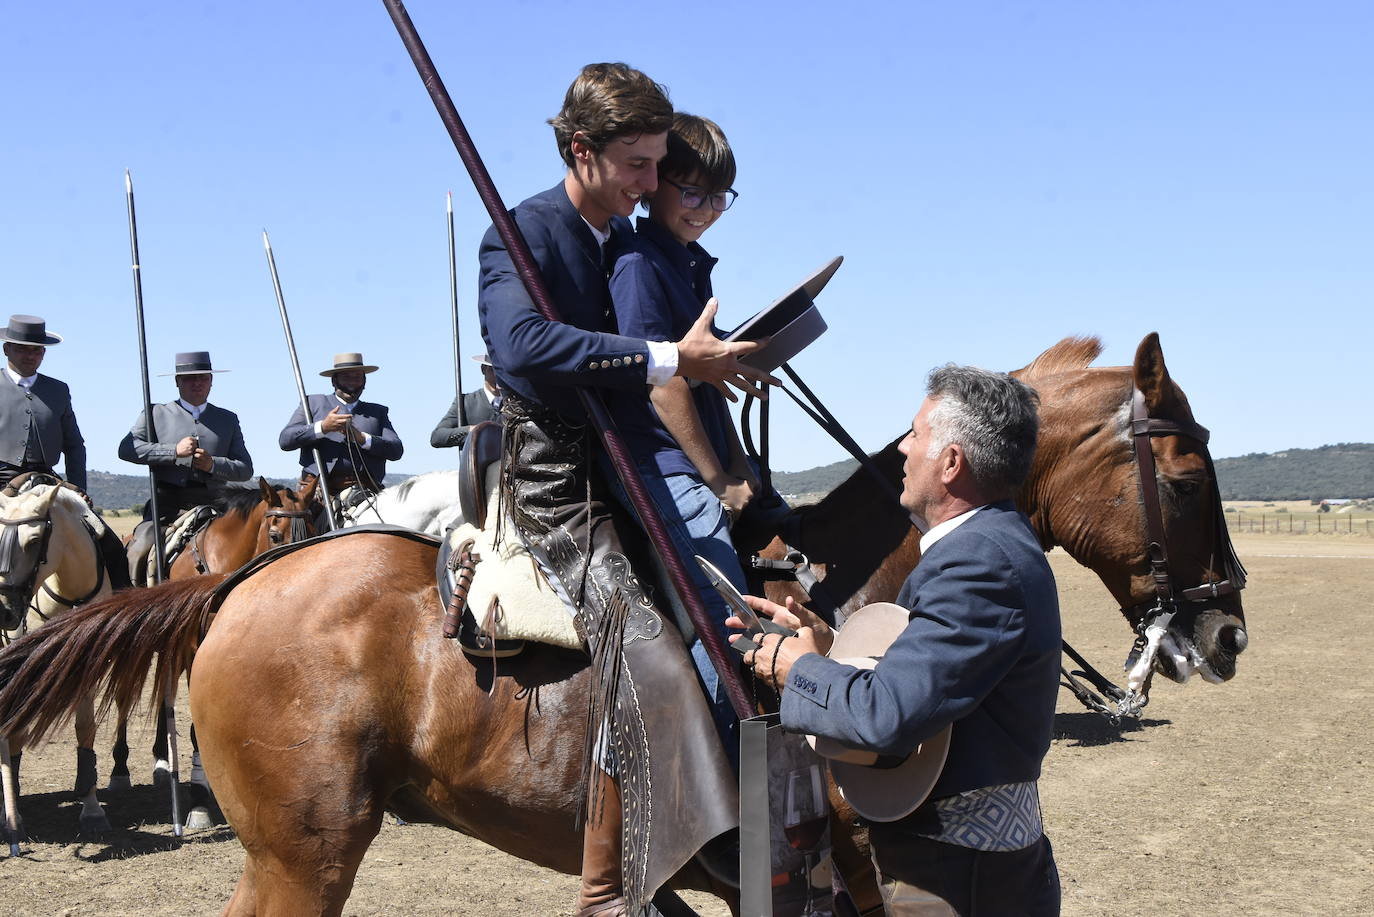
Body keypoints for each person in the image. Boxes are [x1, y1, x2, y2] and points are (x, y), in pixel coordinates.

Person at [478, 62, 771, 917]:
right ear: (583, 150)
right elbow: (525, 344)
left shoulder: (626, 240)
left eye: (657, 165)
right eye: (639, 165)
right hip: (556, 479)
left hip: (628, 468)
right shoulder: (521, 231)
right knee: (642, 638)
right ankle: (609, 892)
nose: (653, 182)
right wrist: (674, 359)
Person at [732, 365, 1062, 917]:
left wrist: (799, 668)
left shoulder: (979, 563)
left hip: (959, 879)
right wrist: (823, 643)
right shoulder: (987, 546)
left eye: (914, 434)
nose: (903, 450)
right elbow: (932, 677)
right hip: (964, 868)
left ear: (952, 463)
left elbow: (888, 717)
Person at [605, 112, 782, 763]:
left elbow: (704, 381)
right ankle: (728, 773)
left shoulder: (687, 264)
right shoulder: (638, 265)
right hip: (659, 462)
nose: (706, 209)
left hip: (698, 454)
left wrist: (742, 463)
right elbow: (664, 385)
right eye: (692, 191)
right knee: (726, 614)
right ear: (653, 186)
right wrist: (717, 479)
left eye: (719, 196)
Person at [118, 351, 253, 522]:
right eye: (190, 378)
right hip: (167, 506)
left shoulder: (227, 419)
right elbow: (127, 449)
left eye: (203, 377)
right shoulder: (154, 413)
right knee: (142, 544)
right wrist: (173, 451)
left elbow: (245, 469)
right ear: (177, 381)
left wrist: (212, 464)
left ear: (211, 381)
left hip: (216, 505)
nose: (197, 383)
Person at [278, 352, 403, 496]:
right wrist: (322, 427)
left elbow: (396, 449)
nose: (352, 382)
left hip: (366, 491)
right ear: (334, 381)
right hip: (318, 491)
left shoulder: (378, 412)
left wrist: (362, 438)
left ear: (364, 381)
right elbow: (285, 440)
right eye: (345, 377)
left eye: (357, 377)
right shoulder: (312, 403)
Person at [0, 314, 86, 493]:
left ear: (44, 353)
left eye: (36, 350)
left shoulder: (58, 390)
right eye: (22, 349)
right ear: (6, 349)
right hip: (1, 479)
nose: (30, 356)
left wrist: (79, 489)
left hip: (45, 480)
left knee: (90, 521)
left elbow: (74, 445)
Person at [430, 354, 500, 449]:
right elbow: (437, 437)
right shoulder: (465, 402)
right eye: (492, 370)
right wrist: (471, 431)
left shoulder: (518, 404)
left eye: (501, 371)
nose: (497, 376)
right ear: (483, 369)